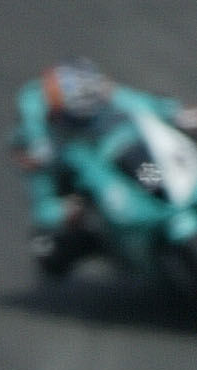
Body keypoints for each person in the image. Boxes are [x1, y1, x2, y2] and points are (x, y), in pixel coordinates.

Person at [11, 60, 197, 276]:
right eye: (75, 120)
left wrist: (179, 114)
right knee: (47, 248)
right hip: (90, 189)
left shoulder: (107, 95)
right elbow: (43, 207)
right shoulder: (43, 149)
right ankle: (110, 248)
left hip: (133, 154)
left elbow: (148, 105)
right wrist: (65, 211)